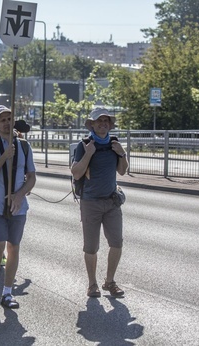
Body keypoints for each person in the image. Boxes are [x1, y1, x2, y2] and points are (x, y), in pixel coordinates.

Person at [0, 105, 36, 309]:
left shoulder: (24, 146)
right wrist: (4, 157)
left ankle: (8, 292)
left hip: (17, 206)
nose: (6, 122)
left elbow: (31, 177)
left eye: (9, 118)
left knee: (13, 247)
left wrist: (19, 195)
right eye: (1, 119)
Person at [70, 107, 129, 298]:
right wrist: (88, 154)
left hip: (112, 202)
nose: (103, 124)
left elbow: (122, 171)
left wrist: (122, 154)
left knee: (117, 243)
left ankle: (110, 282)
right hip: (90, 202)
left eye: (106, 121)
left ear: (110, 125)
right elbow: (76, 172)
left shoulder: (114, 143)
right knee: (91, 247)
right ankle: (92, 284)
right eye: (99, 121)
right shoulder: (84, 144)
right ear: (92, 124)